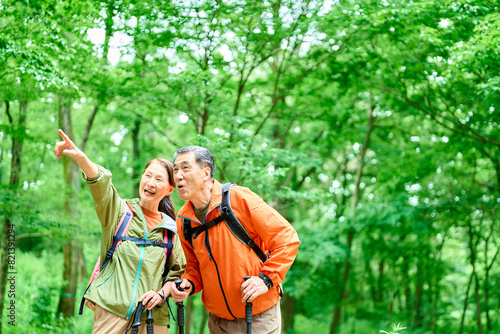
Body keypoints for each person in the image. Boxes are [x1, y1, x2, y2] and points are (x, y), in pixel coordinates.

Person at [54, 129, 186, 334]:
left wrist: (161, 294)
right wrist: (80, 157)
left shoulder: (171, 230)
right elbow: (101, 184)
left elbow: (177, 273)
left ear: (170, 189)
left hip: (153, 320)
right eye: (148, 175)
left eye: (159, 179)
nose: (151, 183)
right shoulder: (119, 212)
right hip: (111, 313)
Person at [170, 146, 300, 334]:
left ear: (206, 173)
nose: (178, 175)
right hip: (217, 322)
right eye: (175, 170)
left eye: (185, 168)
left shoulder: (238, 199)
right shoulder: (184, 220)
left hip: (257, 317)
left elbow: (286, 238)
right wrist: (188, 283)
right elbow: (194, 266)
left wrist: (265, 279)